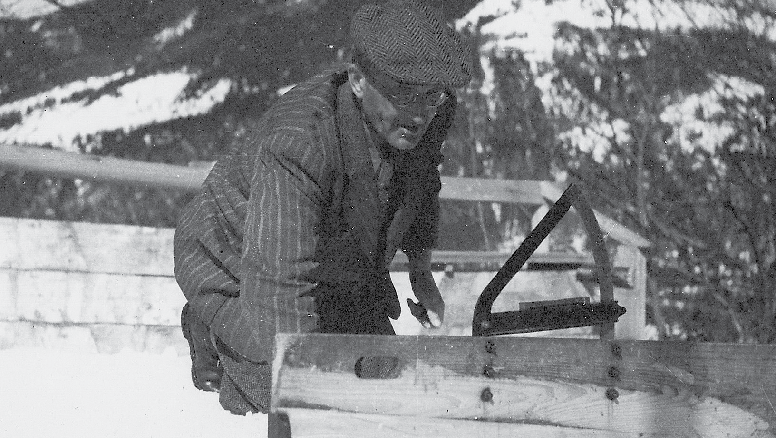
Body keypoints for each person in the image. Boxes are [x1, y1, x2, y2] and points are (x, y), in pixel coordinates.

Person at [173, 0, 471, 416]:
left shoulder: (427, 114)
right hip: (237, 260)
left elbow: (421, 184)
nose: (419, 112)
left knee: (385, 378)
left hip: (333, 258)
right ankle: (211, 325)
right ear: (358, 80)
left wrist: (420, 270)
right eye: (402, 92)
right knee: (289, 386)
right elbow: (284, 300)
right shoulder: (300, 143)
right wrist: (314, 404)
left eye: (431, 95)